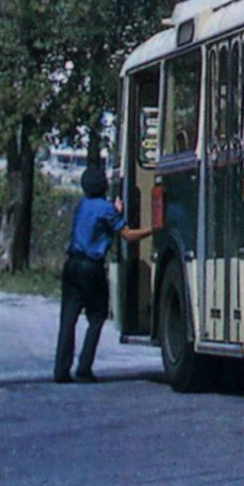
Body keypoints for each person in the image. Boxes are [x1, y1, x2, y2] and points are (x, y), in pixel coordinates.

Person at [54, 164, 151, 384]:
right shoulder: (106, 208)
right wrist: (154, 229)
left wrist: (114, 213)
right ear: (104, 186)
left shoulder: (82, 206)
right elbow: (127, 235)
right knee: (96, 317)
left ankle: (61, 370)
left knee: (68, 320)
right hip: (91, 267)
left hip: (72, 265)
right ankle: (84, 368)